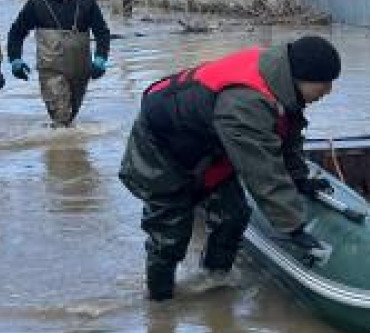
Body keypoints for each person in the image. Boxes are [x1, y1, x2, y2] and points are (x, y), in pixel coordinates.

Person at [119, 36, 341, 301]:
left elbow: (286, 133)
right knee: (170, 234)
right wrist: (293, 227)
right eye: (324, 84)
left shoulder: (282, 83)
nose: (328, 91)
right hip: (162, 151)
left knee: (233, 214)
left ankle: (215, 278)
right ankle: (159, 304)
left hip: (210, 146)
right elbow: (263, 173)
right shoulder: (247, 102)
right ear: (302, 77)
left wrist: (299, 178)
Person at [6, 0, 112, 126]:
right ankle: (61, 150)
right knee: (61, 115)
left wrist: (101, 59)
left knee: (70, 117)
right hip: (51, 70)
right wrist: (15, 59)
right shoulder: (36, 5)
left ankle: (67, 149)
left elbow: (102, 33)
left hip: (81, 70)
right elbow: (17, 32)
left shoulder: (86, 2)